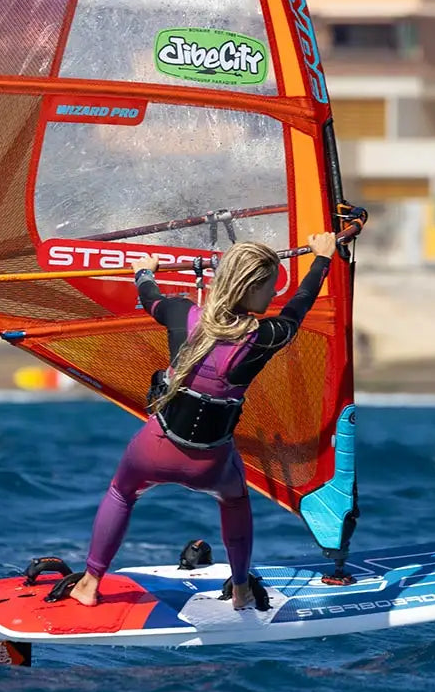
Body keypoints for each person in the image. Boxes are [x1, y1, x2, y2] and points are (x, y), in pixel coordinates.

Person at [55, 232, 339, 611]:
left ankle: (90, 584)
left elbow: (150, 298)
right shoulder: (265, 336)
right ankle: (240, 591)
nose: (274, 297)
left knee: (122, 492)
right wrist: (322, 259)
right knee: (235, 501)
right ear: (250, 290)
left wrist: (143, 272)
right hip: (211, 464)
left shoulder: (181, 313)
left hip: (154, 449)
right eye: (270, 289)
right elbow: (300, 306)